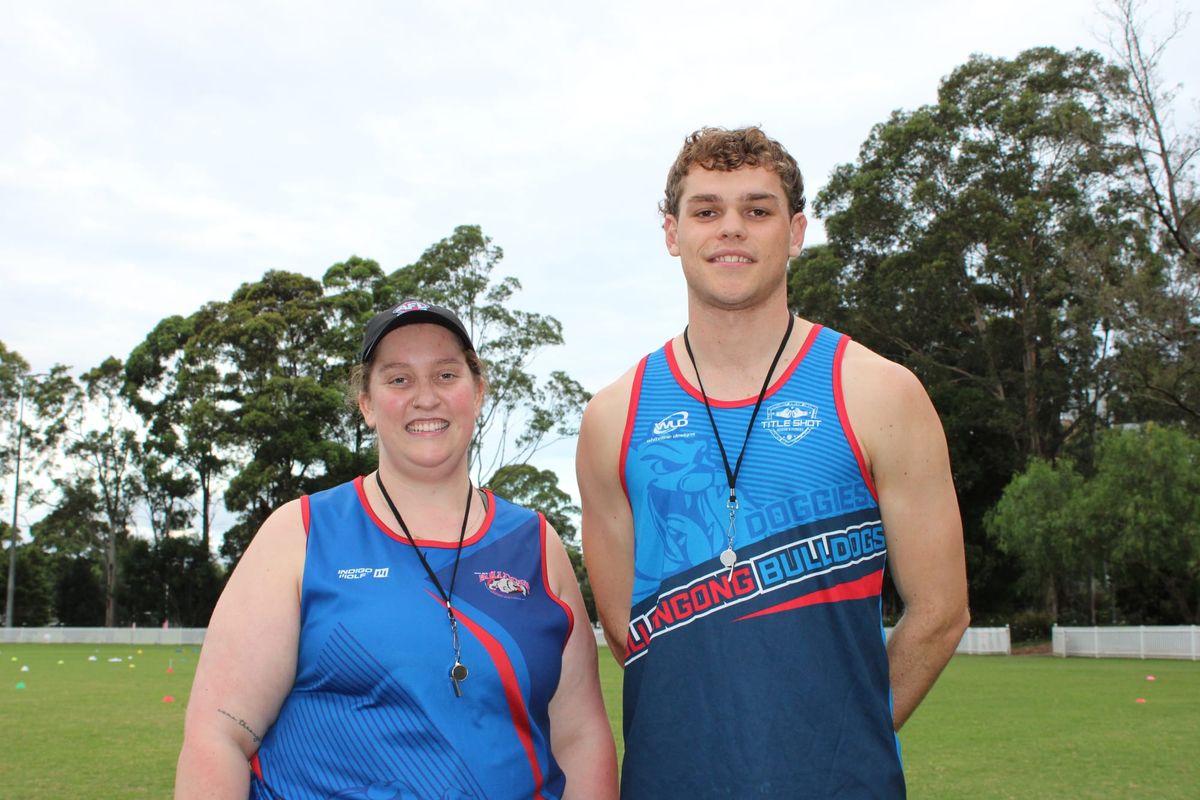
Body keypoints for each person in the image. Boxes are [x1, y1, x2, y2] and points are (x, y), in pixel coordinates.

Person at [576, 127, 970, 798]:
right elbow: (626, 628)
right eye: (707, 210)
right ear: (672, 232)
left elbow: (940, 610)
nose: (732, 229)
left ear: (795, 231)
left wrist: (839, 739)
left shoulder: (878, 392)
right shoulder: (613, 416)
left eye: (757, 211)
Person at [177, 300, 617, 799]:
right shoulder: (300, 533)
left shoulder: (535, 543)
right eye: (399, 379)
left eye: (446, 375)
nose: (425, 398)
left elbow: (581, 739)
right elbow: (220, 735)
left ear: (477, 393)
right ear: (366, 403)